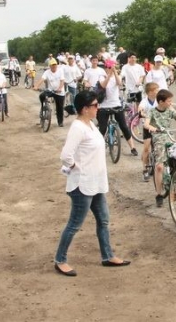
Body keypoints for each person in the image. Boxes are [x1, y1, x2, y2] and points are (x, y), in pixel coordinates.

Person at [55, 90, 131, 276]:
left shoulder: (90, 125)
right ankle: (60, 260)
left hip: (96, 183)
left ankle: (107, 256)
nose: (98, 108)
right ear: (84, 108)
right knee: (74, 224)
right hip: (83, 184)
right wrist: (75, 167)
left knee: (103, 220)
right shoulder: (78, 128)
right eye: (95, 105)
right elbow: (66, 155)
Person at [145, 89, 176, 207]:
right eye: (169, 101)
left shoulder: (169, 111)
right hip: (159, 137)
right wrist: (152, 128)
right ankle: (158, 194)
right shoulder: (152, 111)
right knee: (159, 167)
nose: (170, 103)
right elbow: (146, 124)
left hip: (170, 137)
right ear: (161, 102)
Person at [97, 59, 138, 156]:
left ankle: (132, 147)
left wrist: (114, 72)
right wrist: (108, 75)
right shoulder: (101, 76)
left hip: (116, 104)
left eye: (111, 67)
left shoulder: (117, 76)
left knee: (124, 126)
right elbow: (103, 85)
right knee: (102, 128)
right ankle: (97, 147)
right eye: (109, 67)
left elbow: (119, 83)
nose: (110, 69)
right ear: (105, 68)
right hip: (104, 106)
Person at [36, 59, 66, 126]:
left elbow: (62, 81)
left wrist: (60, 88)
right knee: (42, 96)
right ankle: (43, 108)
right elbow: (42, 79)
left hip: (59, 92)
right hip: (50, 90)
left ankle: (60, 122)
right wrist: (36, 86)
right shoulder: (47, 72)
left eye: (55, 65)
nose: (54, 66)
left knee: (60, 108)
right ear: (50, 66)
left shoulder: (60, 71)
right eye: (52, 65)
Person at [139, 82, 159, 182]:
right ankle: (145, 169)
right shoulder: (144, 101)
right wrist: (142, 113)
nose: (157, 91)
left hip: (157, 127)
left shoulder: (159, 100)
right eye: (156, 90)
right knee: (146, 148)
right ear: (150, 92)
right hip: (147, 127)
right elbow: (140, 109)